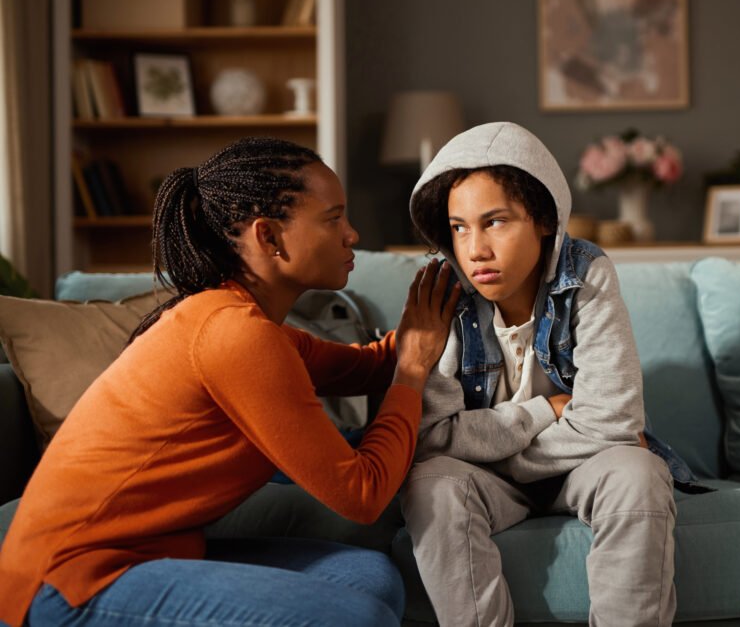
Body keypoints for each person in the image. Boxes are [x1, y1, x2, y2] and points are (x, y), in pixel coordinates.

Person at [0, 137, 460, 627]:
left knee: (368, 576)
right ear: (269, 238)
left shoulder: (252, 327)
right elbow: (362, 495)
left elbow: (366, 366)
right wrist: (412, 371)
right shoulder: (234, 336)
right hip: (69, 578)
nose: (352, 234)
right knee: (357, 614)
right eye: (333, 218)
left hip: (157, 554)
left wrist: (457, 307)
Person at [403, 122, 699, 627]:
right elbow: (431, 439)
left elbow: (613, 423)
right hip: (492, 478)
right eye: (459, 227)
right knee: (431, 483)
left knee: (639, 472)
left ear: (543, 220)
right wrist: (542, 411)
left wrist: (504, 452)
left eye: (495, 221)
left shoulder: (587, 275)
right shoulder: (443, 298)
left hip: (577, 471)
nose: (475, 249)